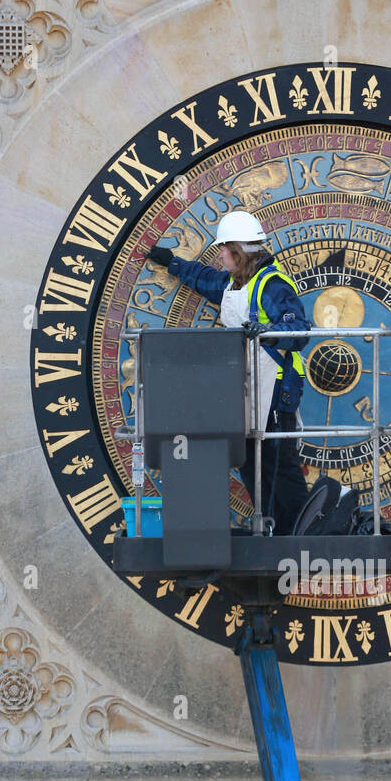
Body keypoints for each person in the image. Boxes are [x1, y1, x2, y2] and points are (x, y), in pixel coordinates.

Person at [147, 210, 311, 536]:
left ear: (238, 250)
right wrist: (172, 262)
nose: (220, 254)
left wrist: (268, 330)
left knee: (280, 465)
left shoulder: (272, 285)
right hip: (247, 388)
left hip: (276, 389)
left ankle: (300, 537)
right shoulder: (234, 283)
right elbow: (205, 279)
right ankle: (276, 532)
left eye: (224, 248)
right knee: (251, 463)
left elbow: (301, 331)